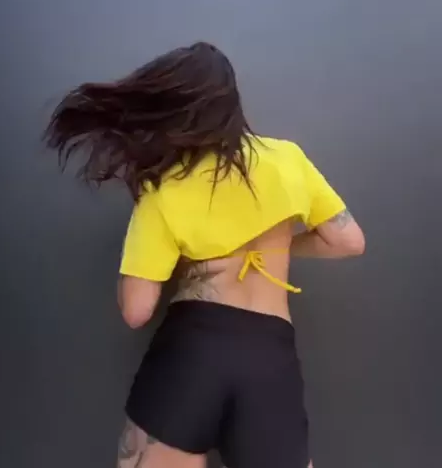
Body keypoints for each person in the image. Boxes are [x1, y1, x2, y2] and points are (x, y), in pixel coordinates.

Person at [44, 41, 365, 468]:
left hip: (192, 352)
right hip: (270, 356)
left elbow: (136, 311)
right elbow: (348, 241)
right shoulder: (288, 160)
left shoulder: (163, 187)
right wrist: (281, 243)